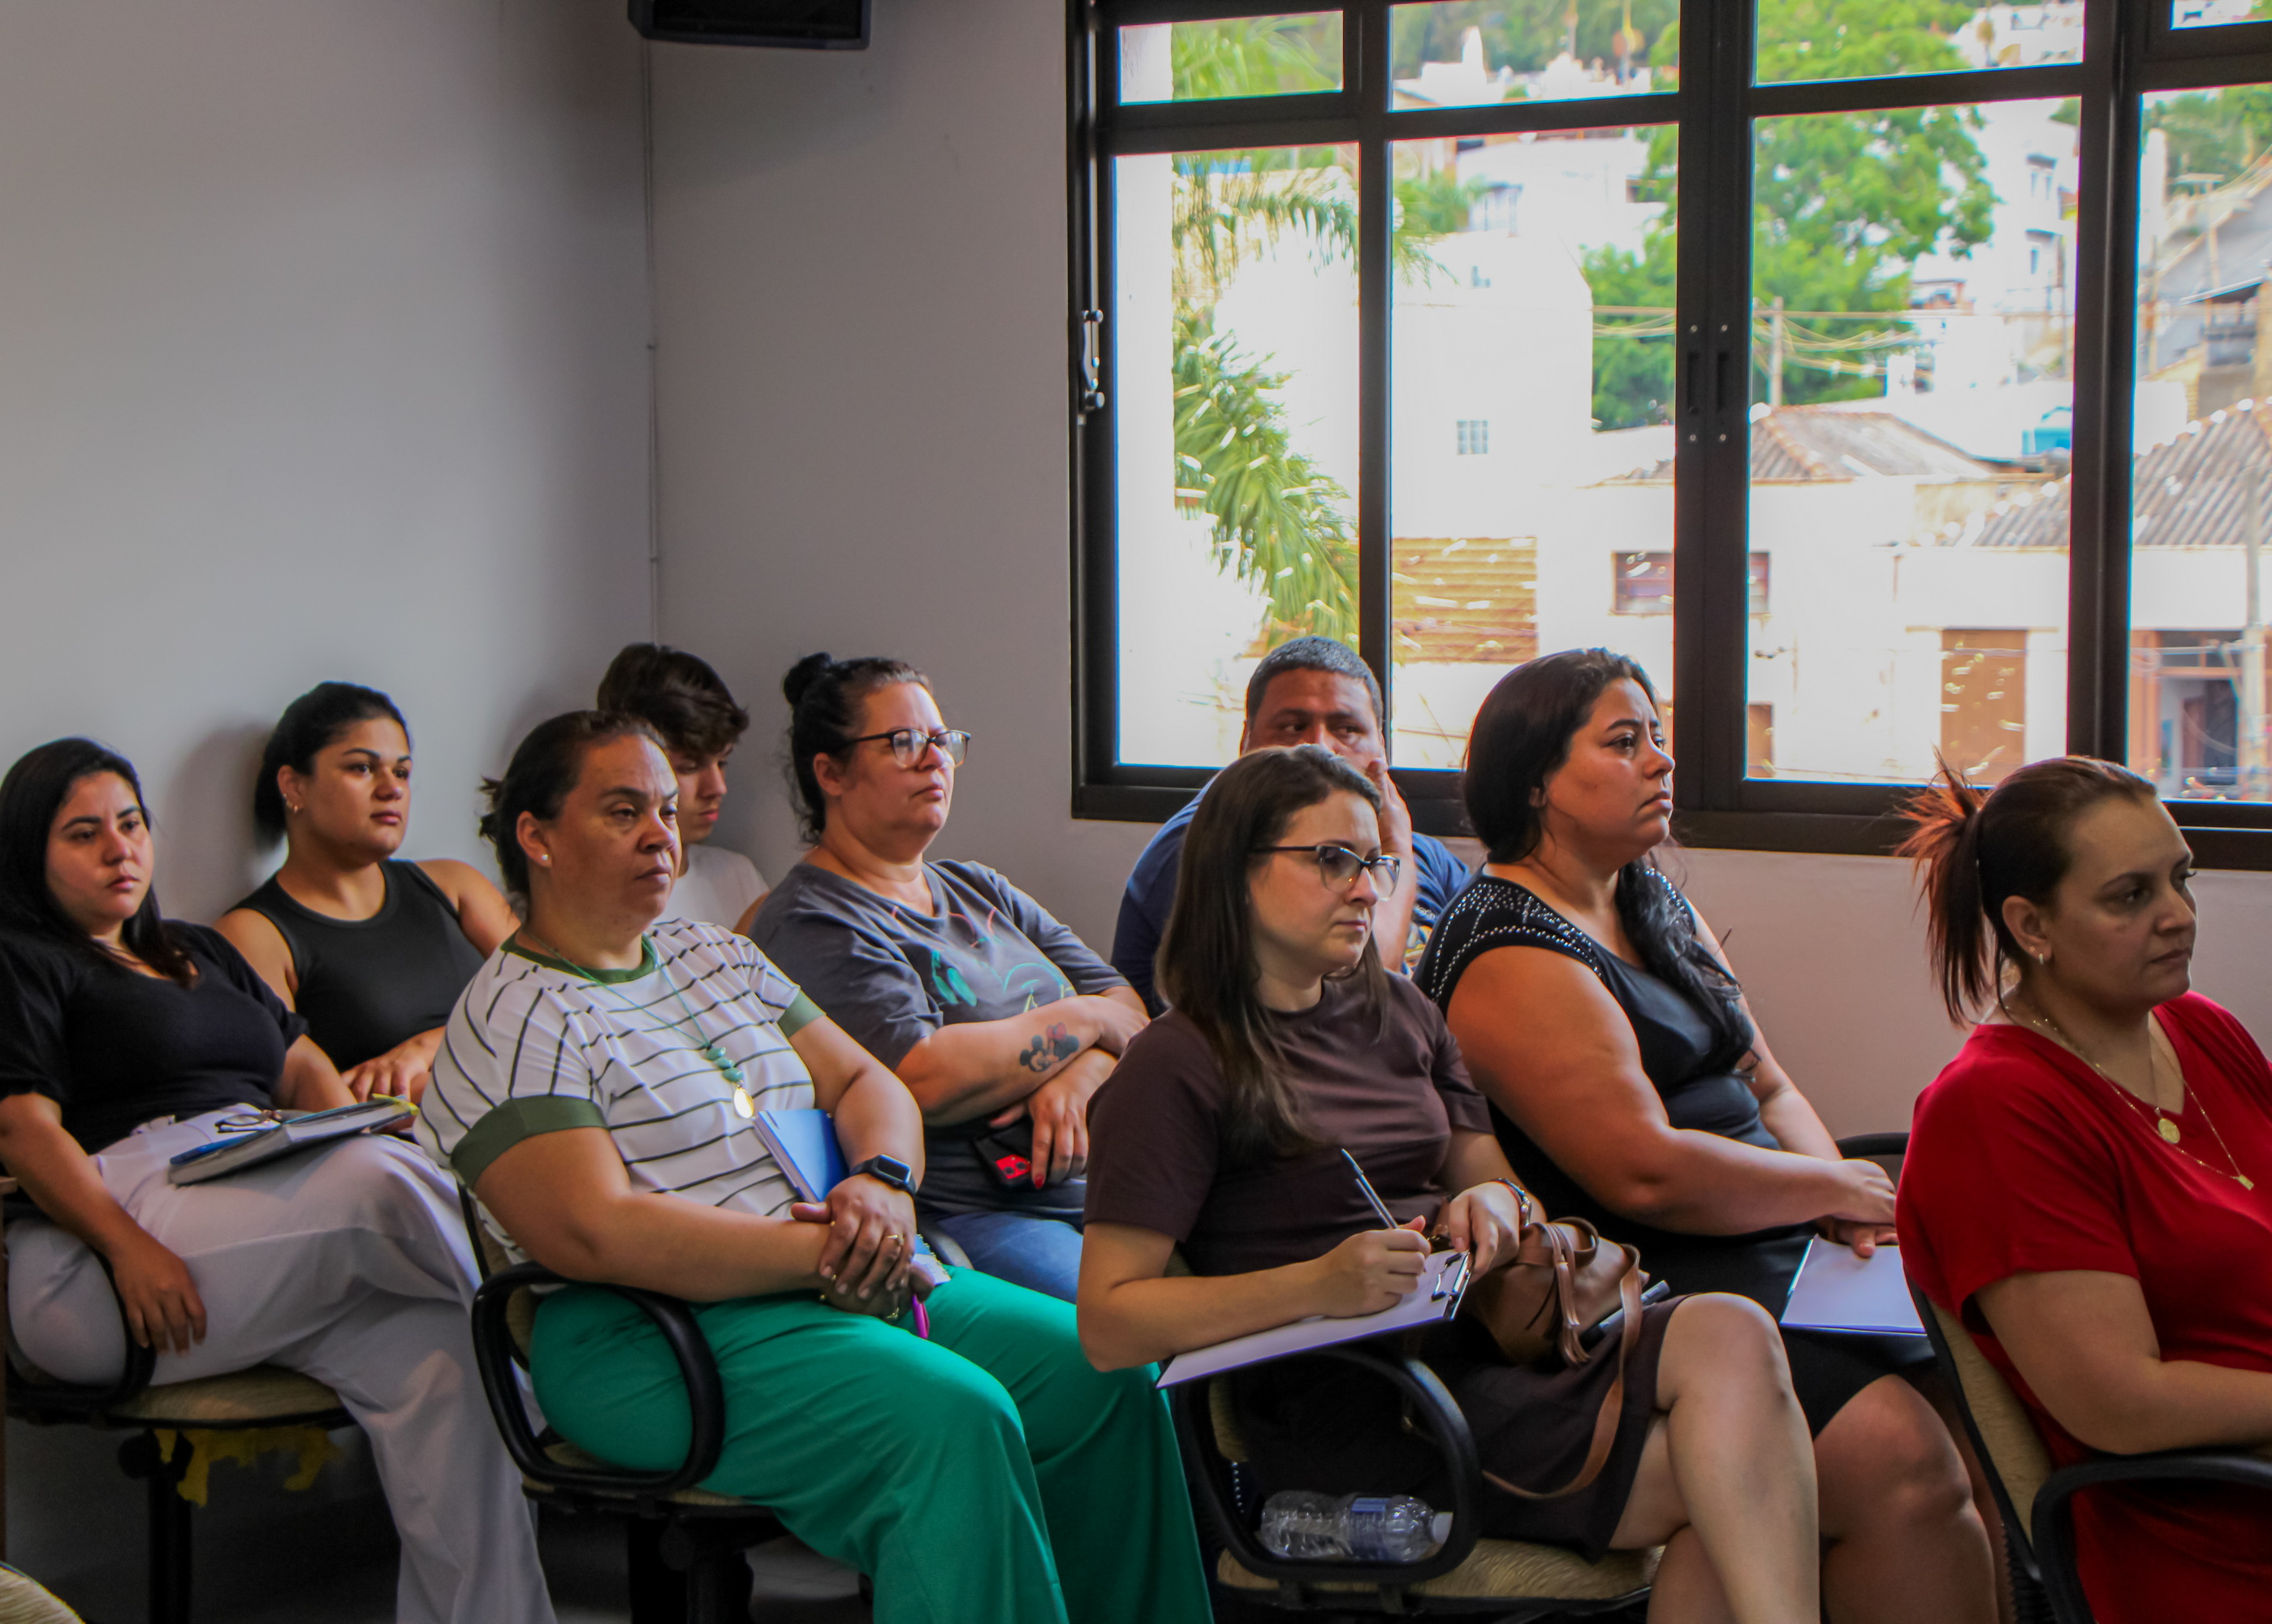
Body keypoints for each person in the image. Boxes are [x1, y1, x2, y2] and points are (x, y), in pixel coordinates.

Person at [415, 711, 1211, 1624]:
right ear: (537, 836)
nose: (660, 835)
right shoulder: (515, 1016)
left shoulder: (715, 953)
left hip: (838, 1272)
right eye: (623, 812)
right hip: (649, 1331)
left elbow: (870, 1081)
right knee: (953, 1417)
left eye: (667, 810)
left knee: (1101, 1367)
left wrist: (882, 1181)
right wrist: (834, 1252)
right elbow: (596, 1230)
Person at [1077, 745, 1821, 1623]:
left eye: (1376, 862)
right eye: (1332, 860)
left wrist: (1492, 1207)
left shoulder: (1400, 1012)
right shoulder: (1177, 1064)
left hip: (1481, 1346)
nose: (1367, 889)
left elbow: (1503, 1187)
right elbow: (1109, 1322)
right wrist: (1317, 1285)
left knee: (1733, 1334)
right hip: (1362, 1405)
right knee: (1731, 1485)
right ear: (1236, 871)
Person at [0, 739, 552, 1624]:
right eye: (84, 834)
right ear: (30, 854)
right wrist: (125, 1247)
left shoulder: (196, 952)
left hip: (252, 1196)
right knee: (379, 1185)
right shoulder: (2, 958)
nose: (119, 849)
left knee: (445, 1356)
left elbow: (303, 1066)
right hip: (99, 1249)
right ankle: (564, 1357)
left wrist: (354, 1128)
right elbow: (18, 1130)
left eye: (131, 824)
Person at [1415, 650, 1993, 1624]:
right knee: (1904, 1458)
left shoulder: (1651, 897)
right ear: (1536, 781)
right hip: (1657, 1285)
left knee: (1964, 1413)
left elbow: (1767, 1080)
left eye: (1658, 734)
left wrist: (1846, 1207)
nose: (1661, 759)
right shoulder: (1505, 944)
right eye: (1623, 741)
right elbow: (1642, 1171)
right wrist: (1828, 1189)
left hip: (1770, 1242)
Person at [1897, 758, 2272, 1622]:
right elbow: (2121, 1403)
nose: (2178, 915)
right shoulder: (1993, 1109)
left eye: (2180, 878)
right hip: (2208, 1532)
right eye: (2131, 896)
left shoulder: (2199, 1028)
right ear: (2031, 925)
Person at [750, 654, 1144, 1302]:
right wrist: (1082, 1019)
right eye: (904, 742)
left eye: (942, 741)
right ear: (831, 773)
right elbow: (922, 1074)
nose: (935, 759)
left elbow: (1129, 1011)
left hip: (1107, 1179)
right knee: (1141, 1320)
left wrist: (1077, 1078)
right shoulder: (812, 920)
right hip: (980, 1215)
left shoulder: (977, 886)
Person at [1112, 636, 1468, 1011]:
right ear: (1246, 741)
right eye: (1292, 726)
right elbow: (1354, 992)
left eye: (1347, 729)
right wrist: (1398, 852)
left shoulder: (1425, 854)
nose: (1318, 746)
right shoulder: (1208, 839)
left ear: (1380, 746)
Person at [216, 682, 517, 1103]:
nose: (392, 788)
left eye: (402, 772)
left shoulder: (454, 885)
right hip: (408, 1135)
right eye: (361, 768)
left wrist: (425, 1048)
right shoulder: (252, 934)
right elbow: (298, 1093)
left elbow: (557, 1000)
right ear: (294, 786)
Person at [597, 641, 768, 931]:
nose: (717, 787)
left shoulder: (738, 876)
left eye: (722, 762)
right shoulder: (598, 899)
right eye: (689, 767)